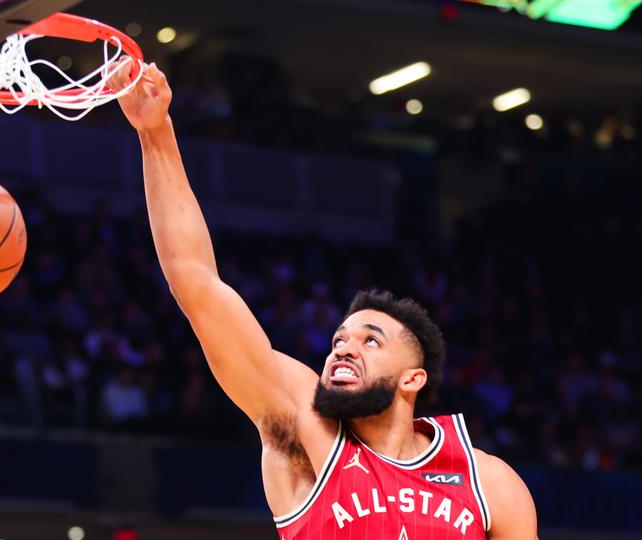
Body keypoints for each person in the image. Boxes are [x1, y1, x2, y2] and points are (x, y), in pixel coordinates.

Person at [108, 59, 537, 539]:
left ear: (412, 379)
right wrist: (156, 133)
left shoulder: (488, 482)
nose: (343, 347)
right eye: (339, 338)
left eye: (370, 341)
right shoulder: (307, 431)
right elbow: (197, 283)